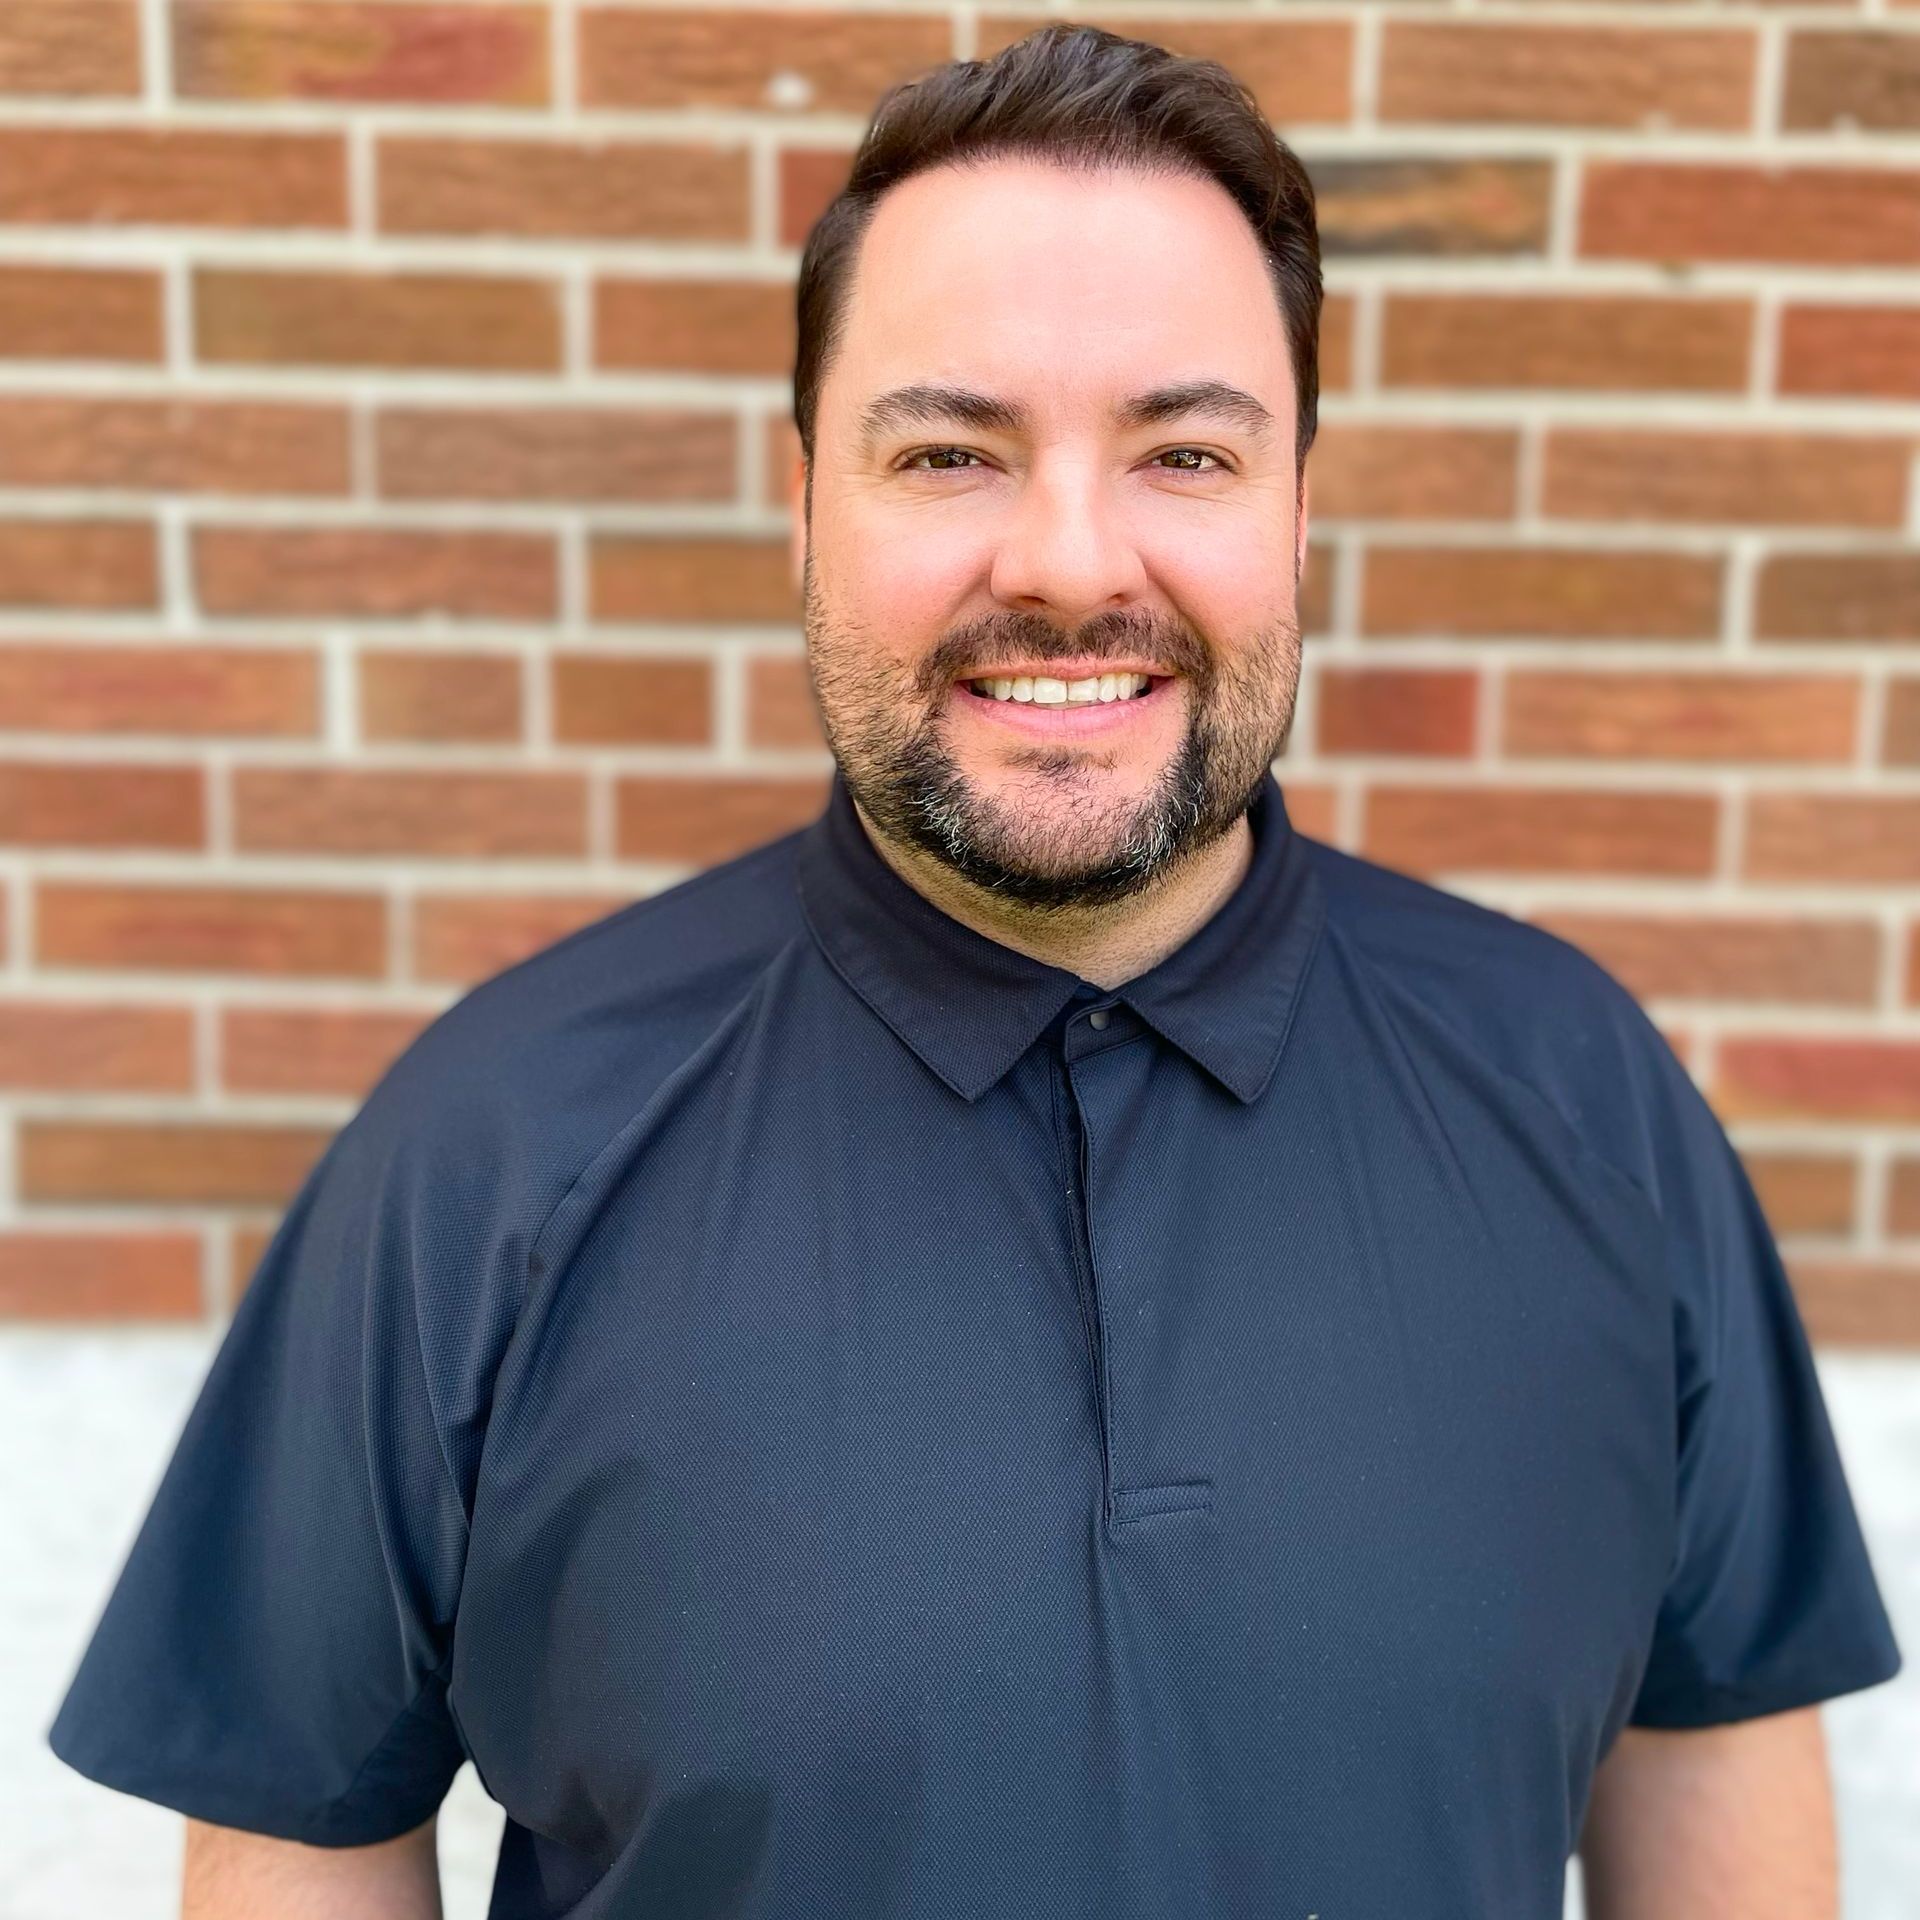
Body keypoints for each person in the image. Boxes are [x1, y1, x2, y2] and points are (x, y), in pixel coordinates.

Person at [47, 22, 1902, 1920]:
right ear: (804, 512)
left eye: (1185, 450)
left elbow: (1723, 1788)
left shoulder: (1585, 1101)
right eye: (951, 450)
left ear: (1297, 514)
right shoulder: (494, 1149)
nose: (1071, 559)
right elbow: (297, 1832)